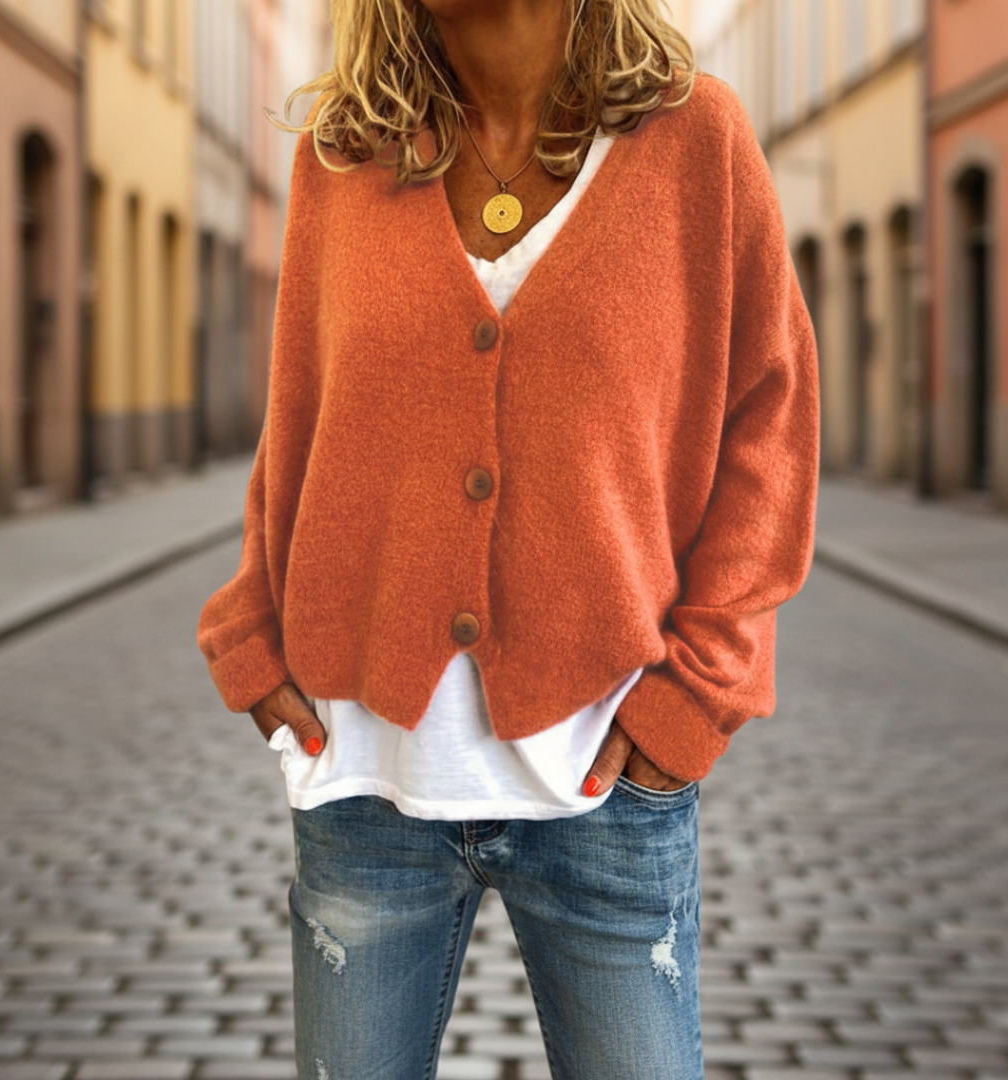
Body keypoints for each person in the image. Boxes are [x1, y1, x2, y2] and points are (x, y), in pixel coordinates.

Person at [197, 0, 819, 1077]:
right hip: (366, 784)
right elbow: (300, 418)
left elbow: (770, 424)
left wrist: (695, 700)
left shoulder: (695, 143)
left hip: (607, 786)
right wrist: (251, 636)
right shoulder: (340, 161)